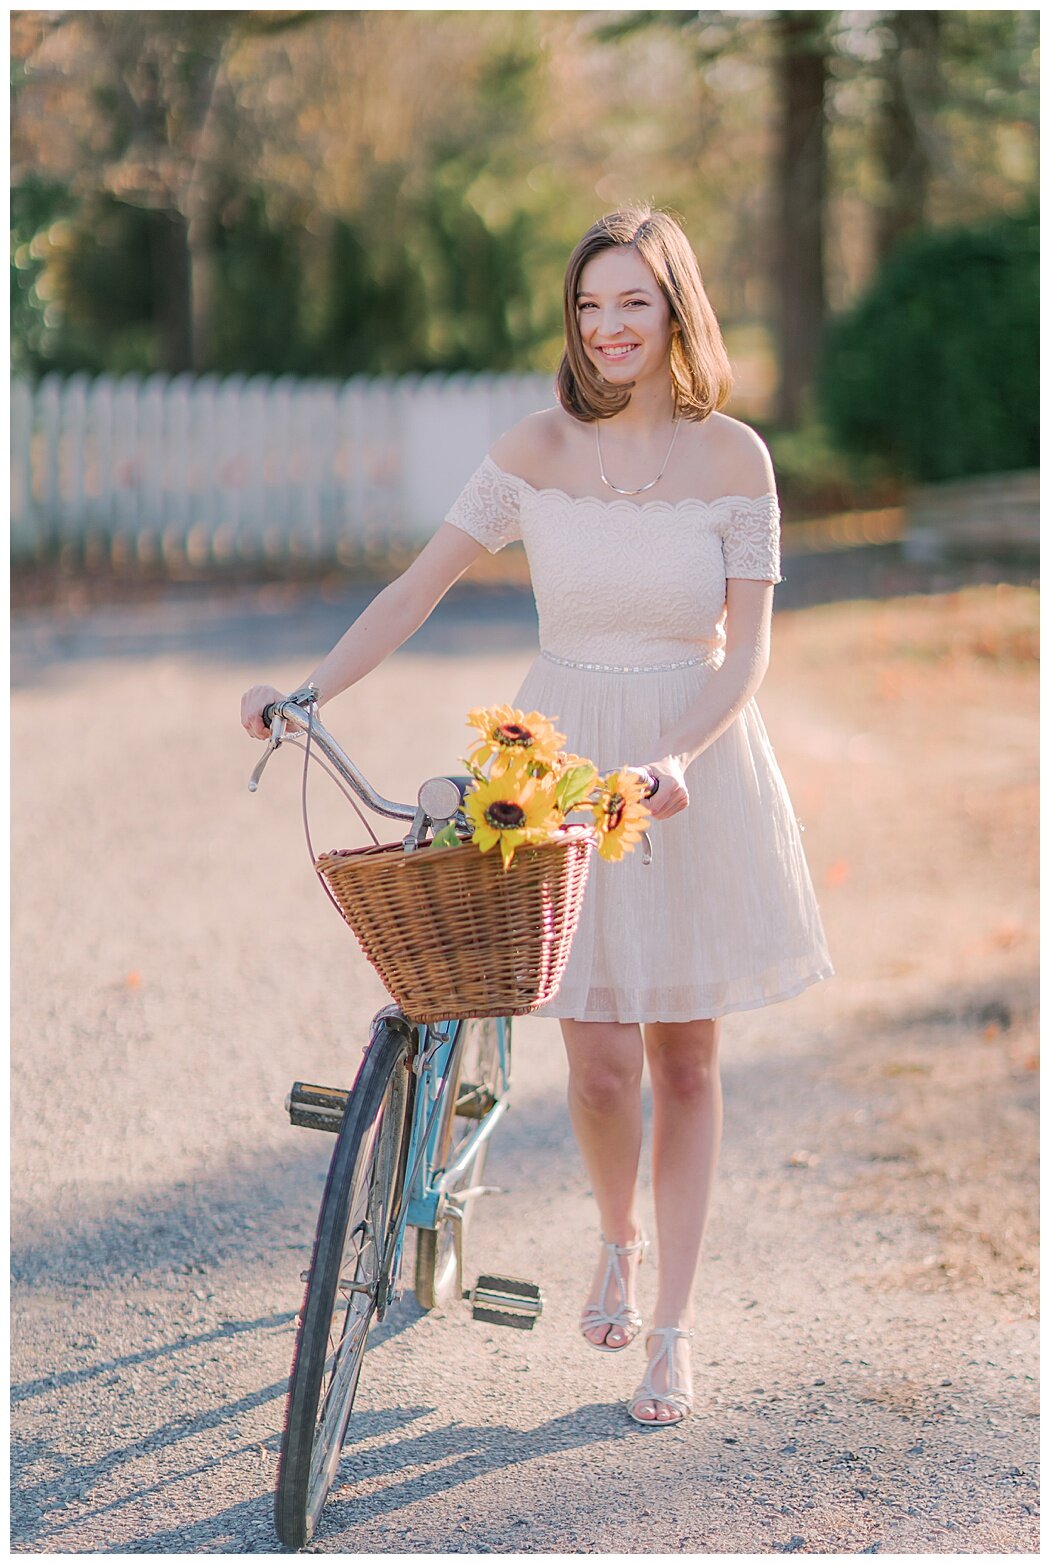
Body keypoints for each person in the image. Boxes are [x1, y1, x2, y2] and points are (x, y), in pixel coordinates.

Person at [242, 205, 833, 1429]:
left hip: (686, 767)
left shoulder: (737, 461)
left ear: (677, 308)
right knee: (603, 1063)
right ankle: (614, 1238)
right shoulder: (535, 448)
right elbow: (417, 585)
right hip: (556, 762)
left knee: (686, 1056)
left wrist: (679, 757)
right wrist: (307, 691)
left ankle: (672, 1326)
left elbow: (749, 654)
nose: (610, 328)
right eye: (590, 306)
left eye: (634, 302)